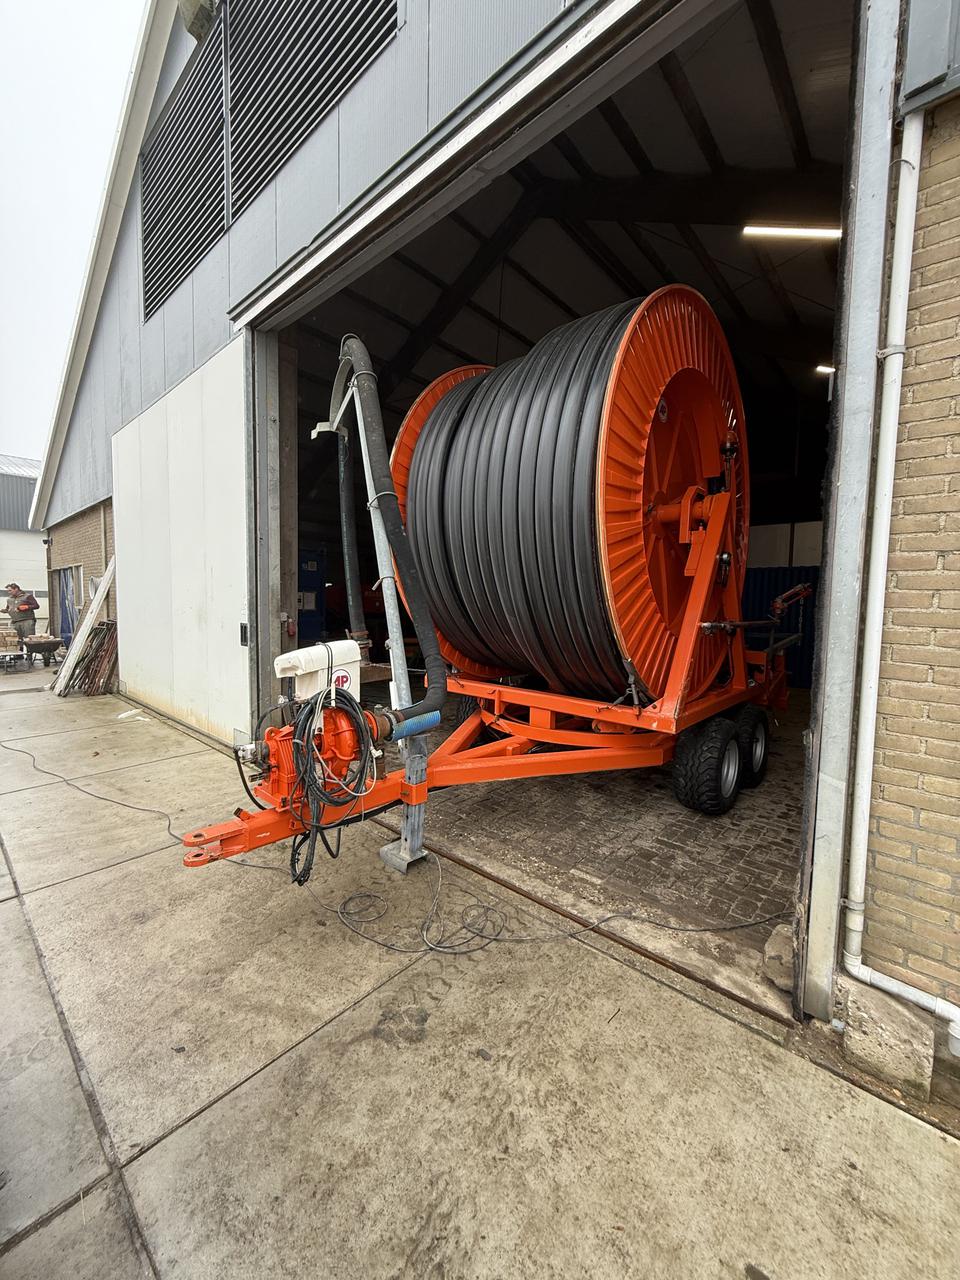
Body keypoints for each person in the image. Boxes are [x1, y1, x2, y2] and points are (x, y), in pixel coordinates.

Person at [3, 583, 40, 649]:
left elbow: (36, 606)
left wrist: (27, 607)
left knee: (29, 639)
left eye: (10, 590)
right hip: (15, 622)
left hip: (27, 621)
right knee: (17, 640)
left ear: (16, 589)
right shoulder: (9, 599)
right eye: (8, 591)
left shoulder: (27, 596)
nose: (9, 592)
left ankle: (30, 653)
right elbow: (8, 608)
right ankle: (20, 653)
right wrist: (5, 610)